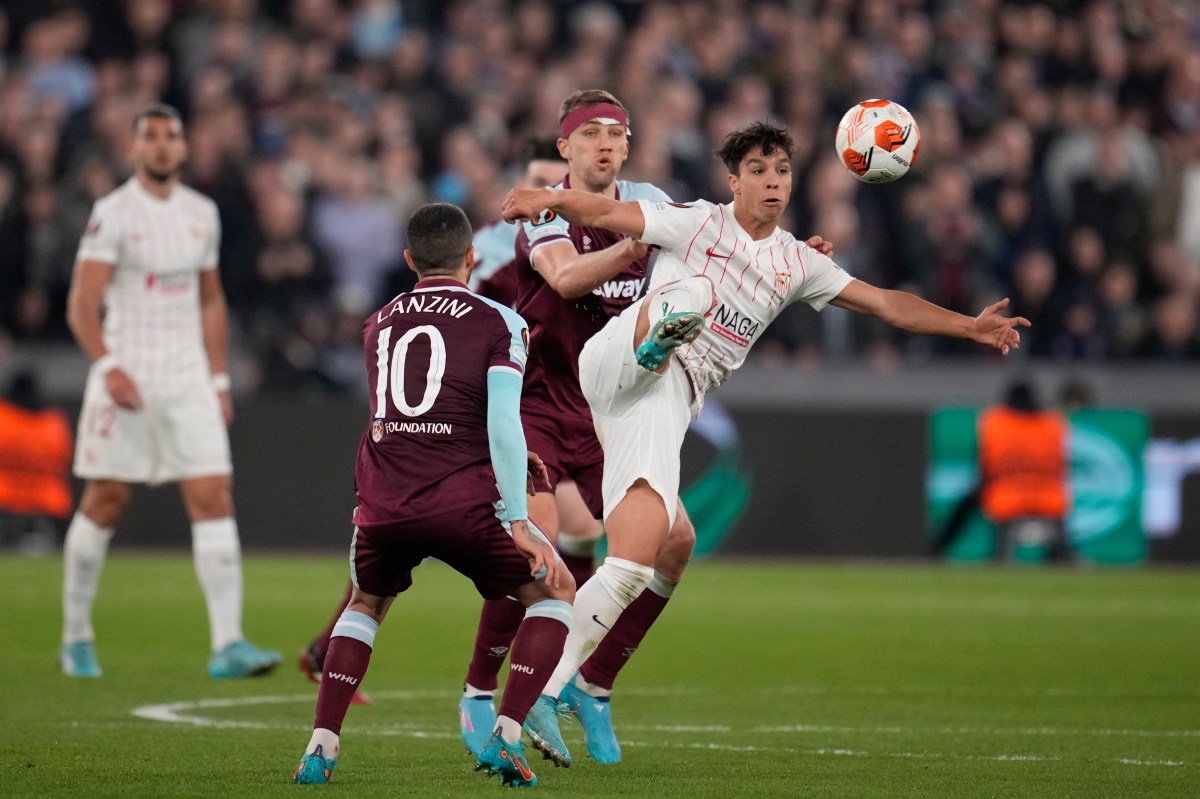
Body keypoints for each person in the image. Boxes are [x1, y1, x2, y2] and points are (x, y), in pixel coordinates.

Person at [499, 121, 1030, 753]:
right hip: (621, 362)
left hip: (662, 405)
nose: (772, 181)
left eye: (781, 171)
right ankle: (544, 695)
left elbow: (885, 303)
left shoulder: (797, 262)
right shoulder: (694, 220)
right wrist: (549, 200)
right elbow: (608, 208)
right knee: (689, 295)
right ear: (734, 181)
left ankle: (595, 685)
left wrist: (968, 326)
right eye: (758, 170)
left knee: (669, 548)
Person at [291, 203, 574, 788]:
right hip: (463, 503)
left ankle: (320, 747)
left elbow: (398, 413)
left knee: (365, 606)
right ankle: (508, 733)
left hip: (385, 500)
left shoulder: (378, 322)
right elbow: (500, 419)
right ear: (472, 257)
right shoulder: (501, 322)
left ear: (407, 260)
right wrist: (518, 519)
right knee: (555, 593)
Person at [60, 103, 282, 679]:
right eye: (150, 137)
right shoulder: (112, 214)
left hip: (186, 376)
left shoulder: (202, 214)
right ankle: (76, 636)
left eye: (171, 136)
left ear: (184, 148)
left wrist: (217, 378)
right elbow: (82, 303)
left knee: (212, 493)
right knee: (106, 500)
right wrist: (107, 364)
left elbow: (210, 300)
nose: (161, 146)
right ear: (133, 148)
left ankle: (228, 643)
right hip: (127, 372)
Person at [977, 380, 1070, 562]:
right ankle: (1062, 557)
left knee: (968, 501)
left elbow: (985, 467)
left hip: (1006, 498)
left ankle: (936, 551)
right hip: (1050, 498)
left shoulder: (997, 422)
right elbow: (1062, 465)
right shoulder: (1053, 423)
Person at [0, 370, 73, 553]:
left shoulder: (4, 416)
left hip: (6, 492)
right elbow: (64, 459)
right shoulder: (53, 423)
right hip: (46, 498)